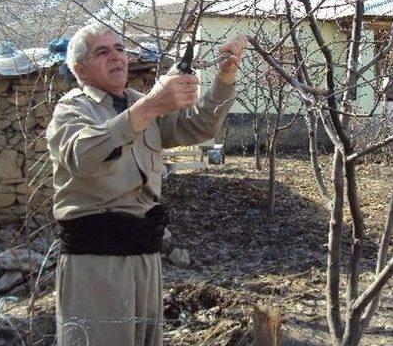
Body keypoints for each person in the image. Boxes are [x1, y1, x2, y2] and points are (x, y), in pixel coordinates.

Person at [46, 24, 247, 346]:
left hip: (145, 253)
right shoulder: (72, 109)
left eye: (120, 48)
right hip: (97, 260)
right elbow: (84, 156)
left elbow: (200, 127)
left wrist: (224, 77)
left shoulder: (139, 103)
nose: (117, 57)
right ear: (80, 69)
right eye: (103, 52)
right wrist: (153, 104)